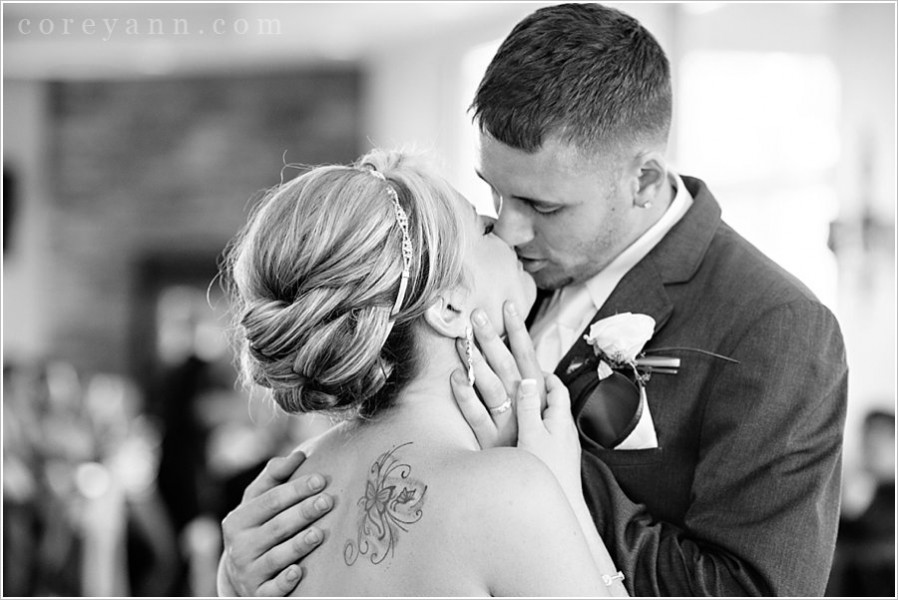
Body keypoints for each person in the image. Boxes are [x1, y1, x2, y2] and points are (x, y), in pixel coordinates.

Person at [218, 3, 848, 596]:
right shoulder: (484, 277)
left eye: (543, 207)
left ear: (644, 180)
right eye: (494, 194)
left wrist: (561, 482)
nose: (511, 231)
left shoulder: (776, 326)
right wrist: (240, 580)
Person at [216, 148, 629, 596]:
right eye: (485, 229)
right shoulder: (513, 492)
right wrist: (566, 498)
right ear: (449, 306)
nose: (509, 236)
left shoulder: (274, 518)